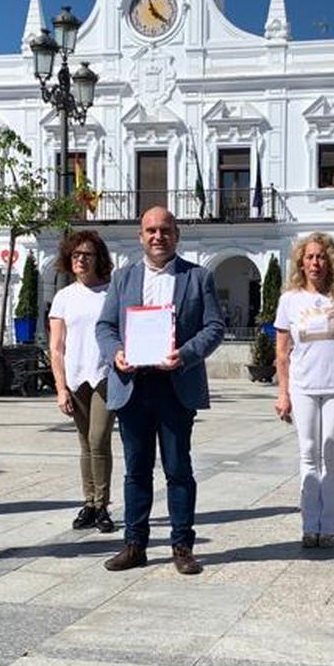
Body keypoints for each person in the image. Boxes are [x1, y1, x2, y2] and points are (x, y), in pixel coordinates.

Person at [94, 207, 225, 573]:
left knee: (178, 468)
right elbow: (105, 326)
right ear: (140, 236)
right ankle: (135, 544)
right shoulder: (122, 279)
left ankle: (182, 545)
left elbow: (214, 327)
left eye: (165, 230)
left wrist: (183, 355)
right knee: (136, 470)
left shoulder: (198, 277)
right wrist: (115, 353)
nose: (157, 237)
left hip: (175, 385)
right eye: (150, 230)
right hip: (132, 386)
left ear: (176, 235)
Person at [274, 233, 334, 548]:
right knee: (308, 451)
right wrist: (283, 394)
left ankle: (329, 525)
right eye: (309, 257)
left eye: (321, 257)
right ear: (301, 262)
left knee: (331, 448)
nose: (315, 263)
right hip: (303, 386)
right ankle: (310, 525)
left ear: (330, 261)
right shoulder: (289, 300)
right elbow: (282, 353)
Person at [50, 229, 118, 534]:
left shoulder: (111, 293)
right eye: (76, 254)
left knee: (98, 439)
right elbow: (56, 346)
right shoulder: (64, 297)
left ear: (98, 259)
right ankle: (89, 503)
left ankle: (102, 504)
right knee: (84, 444)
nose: (81, 259)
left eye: (87, 254)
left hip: (104, 375)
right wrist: (60, 387)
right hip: (75, 377)